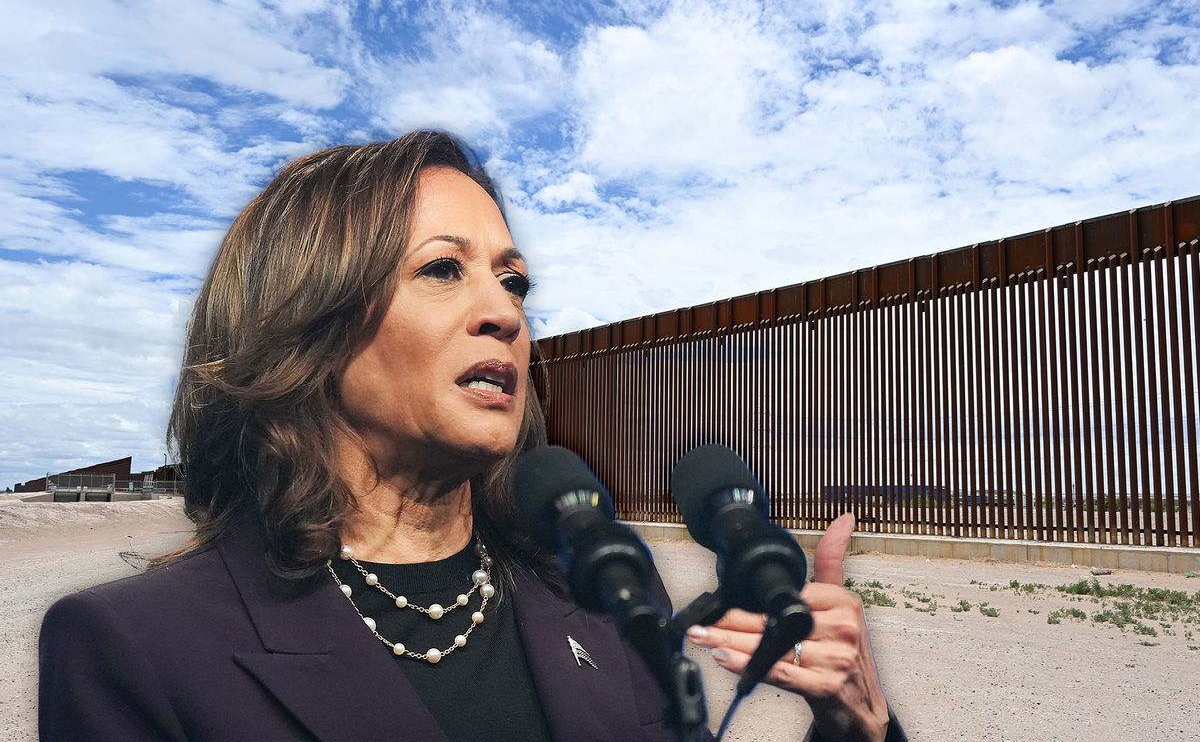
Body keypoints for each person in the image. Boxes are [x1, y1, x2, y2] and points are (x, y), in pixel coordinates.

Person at [39, 131, 904, 741]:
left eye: (513, 281)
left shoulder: (603, 582)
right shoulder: (131, 648)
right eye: (441, 269)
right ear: (305, 320)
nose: (503, 312)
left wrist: (855, 728)